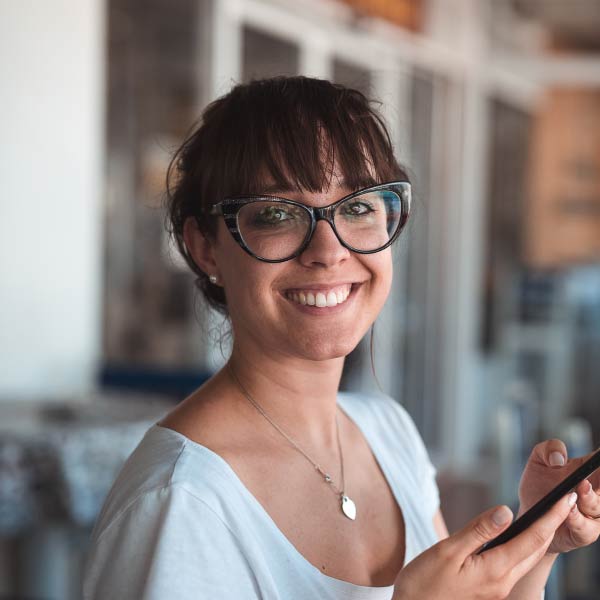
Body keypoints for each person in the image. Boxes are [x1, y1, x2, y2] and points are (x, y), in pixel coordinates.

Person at [83, 76, 600, 599]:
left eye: (357, 207)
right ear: (205, 247)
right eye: (277, 214)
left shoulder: (387, 433)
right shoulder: (180, 501)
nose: (329, 251)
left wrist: (539, 541)